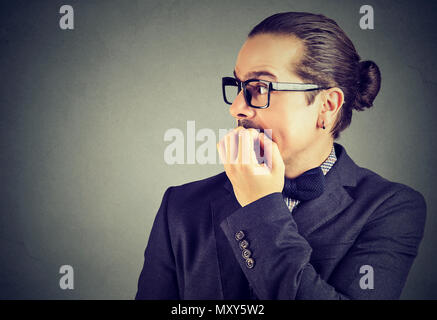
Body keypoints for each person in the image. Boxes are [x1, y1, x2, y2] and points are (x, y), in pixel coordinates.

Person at [135, 12, 426, 300]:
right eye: (239, 86)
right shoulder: (181, 206)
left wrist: (260, 206)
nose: (236, 107)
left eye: (260, 88)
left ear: (327, 105)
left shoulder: (391, 208)